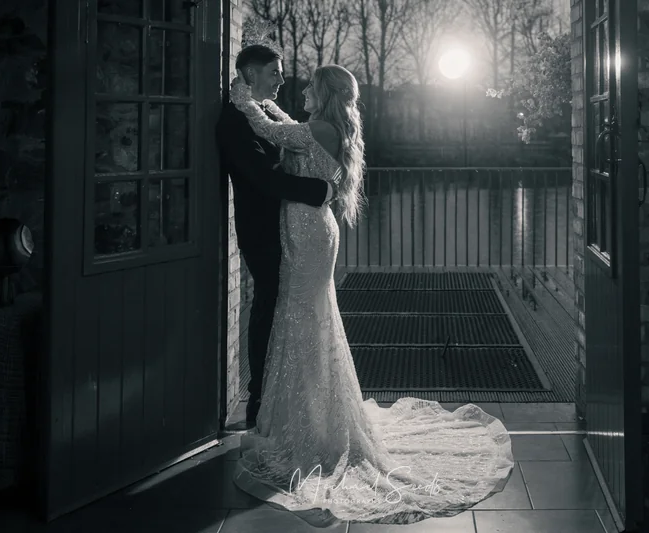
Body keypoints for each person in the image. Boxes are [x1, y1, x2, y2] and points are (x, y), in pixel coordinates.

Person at [227, 59, 515, 526]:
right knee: (309, 316)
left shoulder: (316, 130)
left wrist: (244, 97)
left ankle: (309, 426)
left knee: (300, 314)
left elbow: (272, 131)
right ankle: (311, 416)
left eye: (308, 88)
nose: (299, 92)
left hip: (308, 234)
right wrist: (269, 107)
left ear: (323, 93)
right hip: (312, 228)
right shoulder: (326, 128)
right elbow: (289, 126)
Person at [216, 45, 334, 431]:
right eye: (274, 73)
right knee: (269, 308)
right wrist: (321, 192)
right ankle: (261, 404)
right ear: (250, 75)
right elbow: (264, 179)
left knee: (288, 309)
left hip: (292, 228)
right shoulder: (234, 120)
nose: (282, 81)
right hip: (263, 231)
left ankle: (287, 400)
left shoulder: (263, 113)